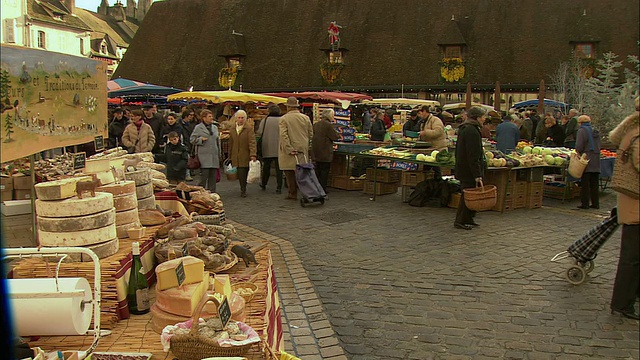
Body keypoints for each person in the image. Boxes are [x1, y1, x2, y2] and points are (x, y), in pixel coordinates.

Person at [609, 97, 639, 320]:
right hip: (636, 201)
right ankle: (622, 303)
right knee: (631, 257)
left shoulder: (631, 130)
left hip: (631, 200)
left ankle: (629, 298)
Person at [454, 106, 487, 230]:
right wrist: (477, 174)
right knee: (467, 195)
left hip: (464, 167)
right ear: (477, 117)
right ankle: (460, 220)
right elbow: (473, 155)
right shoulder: (472, 131)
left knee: (469, 194)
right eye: (483, 117)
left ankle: (468, 218)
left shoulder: (467, 128)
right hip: (468, 169)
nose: (484, 119)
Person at [278, 97, 313, 200]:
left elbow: (283, 136)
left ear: (288, 107)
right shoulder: (305, 118)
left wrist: (289, 148)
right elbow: (311, 133)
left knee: (289, 172)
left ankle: (292, 193)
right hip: (302, 148)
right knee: (303, 172)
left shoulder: (283, 119)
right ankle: (306, 192)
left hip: (290, 150)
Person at [190, 109, 221, 193]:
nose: (212, 118)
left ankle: (212, 194)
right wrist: (200, 139)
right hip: (203, 156)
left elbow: (218, 141)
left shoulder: (215, 127)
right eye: (209, 116)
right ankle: (200, 193)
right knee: (203, 177)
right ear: (204, 118)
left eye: (211, 116)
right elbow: (192, 140)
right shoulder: (198, 128)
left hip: (214, 155)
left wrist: (219, 154)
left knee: (213, 178)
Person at [228, 110, 257, 198]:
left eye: (242, 118)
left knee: (243, 172)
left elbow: (252, 142)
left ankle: (243, 189)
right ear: (236, 118)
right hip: (235, 154)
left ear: (245, 118)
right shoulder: (232, 129)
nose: (240, 120)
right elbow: (231, 143)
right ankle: (242, 188)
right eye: (239, 118)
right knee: (239, 172)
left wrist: (253, 154)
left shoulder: (249, 129)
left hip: (245, 154)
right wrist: (229, 156)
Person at [575, 115, 601, 209]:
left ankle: (585, 203)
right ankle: (595, 203)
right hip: (596, 157)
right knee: (594, 182)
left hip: (586, 157)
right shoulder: (595, 130)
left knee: (585, 182)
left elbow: (579, 145)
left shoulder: (582, 131)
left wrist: (577, 152)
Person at [256, 104, 283, 193]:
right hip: (279, 147)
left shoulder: (265, 120)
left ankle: (264, 183)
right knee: (279, 168)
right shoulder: (282, 120)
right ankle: (279, 186)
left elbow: (260, 132)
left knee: (266, 167)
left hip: (267, 146)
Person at [312, 108, 340, 193]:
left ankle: (317, 188)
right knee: (324, 171)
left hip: (316, 151)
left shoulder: (316, 124)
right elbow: (335, 136)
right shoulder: (328, 125)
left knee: (318, 171)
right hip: (325, 151)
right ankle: (322, 189)